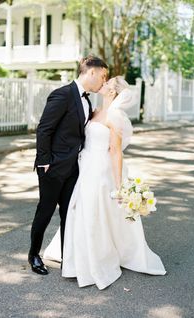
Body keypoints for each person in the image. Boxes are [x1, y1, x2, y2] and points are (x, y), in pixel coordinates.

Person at [44, 76, 166, 289]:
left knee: (92, 211)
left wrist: (119, 186)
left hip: (100, 170)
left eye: (108, 82)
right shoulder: (95, 111)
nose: (104, 82)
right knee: (79, 208)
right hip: (84, 166)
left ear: (112, 92)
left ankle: (96, 260)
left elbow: (116, 152)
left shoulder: (115, 116)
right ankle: (76, 254)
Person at [28, 56, 108, 275]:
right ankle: (34, 255)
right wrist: (44, 161)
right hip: (52, 167)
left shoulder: (87, 100)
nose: (103, 80)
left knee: (68, 214)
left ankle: (68, 256)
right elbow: (44, 129)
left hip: (74, 168)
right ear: (91, 72)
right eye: (102, 76)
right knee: (45, 211)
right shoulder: (63, 94)